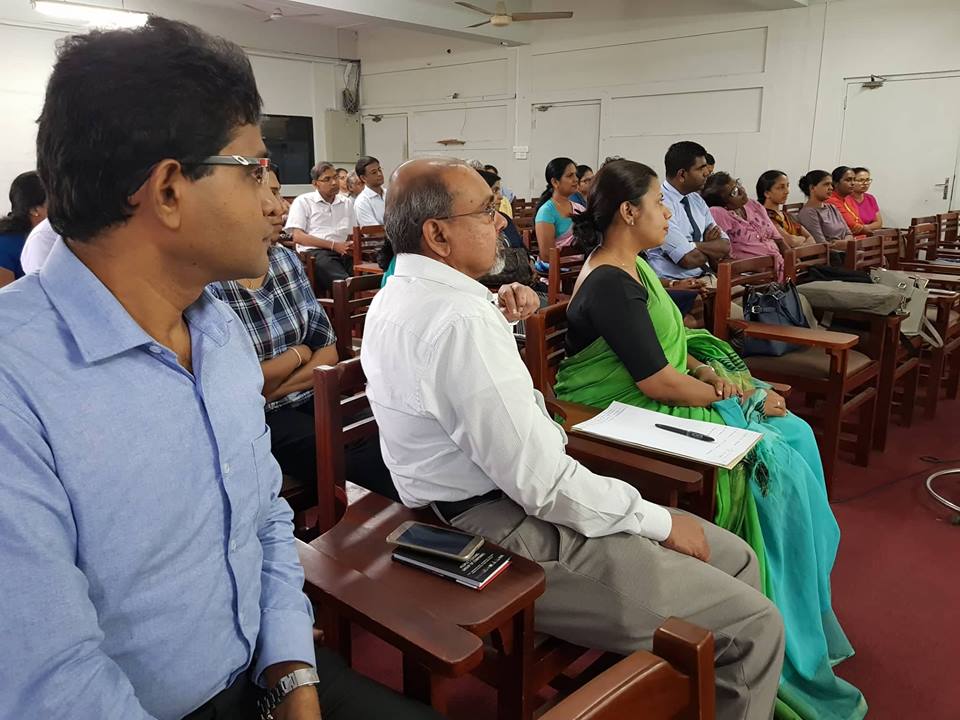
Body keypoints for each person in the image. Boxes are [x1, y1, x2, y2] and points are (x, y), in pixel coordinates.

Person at [0, 17, 442, 720]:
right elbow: (49, 680)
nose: (272, 199)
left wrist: (294, 674)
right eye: (254, 168)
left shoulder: (216, 327)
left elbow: (264, 516)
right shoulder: (17, 382)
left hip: (262, 671)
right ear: (169, 190)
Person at [362, 156, 787, 720]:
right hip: (499, 527)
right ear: (437, 234)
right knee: (756, 623)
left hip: (478, 499)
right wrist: (660, 520)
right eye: (486, 210)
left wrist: (504, 314)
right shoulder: (458, 322)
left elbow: (459, 396)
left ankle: (691, 695)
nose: (500, 221)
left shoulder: (402, 294)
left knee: (733, 557)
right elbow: (542, 485)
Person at [555, 159, 866, 720]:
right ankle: (764, 618)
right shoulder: (609, 280)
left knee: (795, 430)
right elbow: (655, 380)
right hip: (624, 409)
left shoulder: (634, 266)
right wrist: (741, 398)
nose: (669, 213)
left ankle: (805, 613)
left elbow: (670, 354)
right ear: (629, 212)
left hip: (656, 387)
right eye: (659, 203)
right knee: (776, 465)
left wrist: (709, 372)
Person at [210, 165, 396, 503]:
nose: (279, 207)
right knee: (345, 450)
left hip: (309, 396)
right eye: (267, 194)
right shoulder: (210, 281)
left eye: (279, 193)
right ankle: (406, 529)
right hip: (260, 420)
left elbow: (328, 351)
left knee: (387, 429)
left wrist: (269, 383)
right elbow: (235, 391)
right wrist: (299, 354)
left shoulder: (283, 260)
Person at [646, 141, 729, 285]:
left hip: (706, 277)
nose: (707, 174)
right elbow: (688, 260)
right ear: (682, 174)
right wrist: (709, 245)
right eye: (701, 168)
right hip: (677, 284)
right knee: (741, 307)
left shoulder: (696, 199)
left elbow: (725, 246)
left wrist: (693, 245)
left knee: (755, 302)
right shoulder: (659, 204)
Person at [284, 161, 354, 293]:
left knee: (365, 275)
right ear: (315, 184)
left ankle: (361, 306)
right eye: (327, 179)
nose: (334, 182)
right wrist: (333, 245)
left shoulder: (346, 202)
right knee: (344, 283)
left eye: (335, 177)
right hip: (315, 253)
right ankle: (344, 306)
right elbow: (297, 236)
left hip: (343, 251)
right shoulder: (303, 201)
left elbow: (351, 232)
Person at [702, 172, 786, 279]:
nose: (742, 191)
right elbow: (718, 260)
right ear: (723, 203)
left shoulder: (752, 204)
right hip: (751, 277)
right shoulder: (717, 213)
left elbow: (779, 240)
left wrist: (791, 261)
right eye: (735, 192)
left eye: (738, 184)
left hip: (778, 269)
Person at [534, 157, 584, 268]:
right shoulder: (546, 212)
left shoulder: (580, 209)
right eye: (570, 176)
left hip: (580, 269)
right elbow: (547, 256)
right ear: (555, 182)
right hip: (557, 273)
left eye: (576, 175)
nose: (576, 179)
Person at [0, 170, 46, 279]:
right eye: (54, 201)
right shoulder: (5, 246)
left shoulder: (54, 238)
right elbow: (5, 295)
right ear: (35, 210)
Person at [756, 170, 815, 249]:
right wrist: (803, 239)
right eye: (781, 187)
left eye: (787, 186)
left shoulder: (786, 215)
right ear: (767, 193)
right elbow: (791, 241)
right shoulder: (765, 217)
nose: (787, 191)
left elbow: (811, 239)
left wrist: (800, 243)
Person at [797, 170, 854, 246]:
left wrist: (844, 243)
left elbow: (848, 233)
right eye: (826, 184)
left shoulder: (832, 207)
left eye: (831, 184)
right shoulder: (808, 213)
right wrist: (845, 244)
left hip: (845, 249)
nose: (831, 188)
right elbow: (821, 244)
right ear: (812, 188)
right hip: (831, 254)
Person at [826, 166, 878, 235]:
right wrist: (867, 231)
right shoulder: (831, 200)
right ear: (835, 183)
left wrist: (861, 228)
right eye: (848, 180)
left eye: (854, 180)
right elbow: (851, 225)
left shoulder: (848, 199)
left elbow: (859, 223)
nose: (853, 183)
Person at [353, 155, 386, 226]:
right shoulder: (362, 202)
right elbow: (373, 232)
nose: (380, 174)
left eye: (379, 170)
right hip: (381, 237)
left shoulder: (390, 193)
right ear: (363, 178)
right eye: (374, 172)